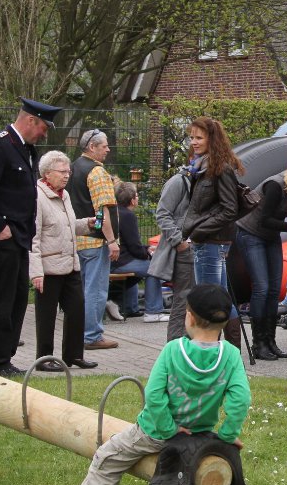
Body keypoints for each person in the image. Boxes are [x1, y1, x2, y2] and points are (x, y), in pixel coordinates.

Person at [41, 283, 250, 485]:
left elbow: (154, 395)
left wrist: (167, 430)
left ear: (190, 317)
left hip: (154, 432)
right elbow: (240, 398)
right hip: (201, 433)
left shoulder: (173, 350)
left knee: (107, 458)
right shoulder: (230, 355)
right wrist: (227, 435)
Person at [0, 97, 60, 377]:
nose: (45, 134)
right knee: (2, 300)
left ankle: (6, 357)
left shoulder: (24, 149)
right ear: (30, 120)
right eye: (44, 127)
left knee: (19, 299)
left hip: (19, 237)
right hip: (1, 239)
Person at [237, 161, 287, 360]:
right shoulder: (275, 186)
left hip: (270, 236)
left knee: (273, 290)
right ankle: (259, 343)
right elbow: (265, 219)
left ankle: (270, 341)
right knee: (262, 287)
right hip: (251, 233)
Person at [180, 117, 245, 352]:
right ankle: (229, 351)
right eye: (192, 137)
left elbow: (230, 209)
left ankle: (211, 350)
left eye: (199, 137)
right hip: (207, 241)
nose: (194, 142)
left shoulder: (220, 168)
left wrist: (199, 230)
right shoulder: (202, 166)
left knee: (209, 299)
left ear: (211, 139)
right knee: (220, 297)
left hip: (211, 243)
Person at [30, 151, 97, 371]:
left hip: (70, 264)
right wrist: (36, 271)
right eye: (62, 172)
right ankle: (44, 358)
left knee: (77, 309)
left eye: (68, 171)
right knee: (46, 315)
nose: (67, 176)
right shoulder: (37, 197)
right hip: (49, 268)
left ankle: (74, 355)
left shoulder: (64, 195)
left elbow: (67, 224)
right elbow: (34, 237)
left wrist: (87, 223)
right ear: (47, 173)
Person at [68, 128, 121, 351]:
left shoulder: (72, 168)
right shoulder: (97, 172)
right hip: (96, 240)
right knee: (96, 290)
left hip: (77, 239)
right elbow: (103, 211)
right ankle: (92, 336)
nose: (108, 149)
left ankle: (79, 332)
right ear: (92, 147)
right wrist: (111, 240)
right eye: (104, 145)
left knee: (81, 291)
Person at [149, 159, 195, 342]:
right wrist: (179, 242)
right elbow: (162, 213)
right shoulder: (179, 181)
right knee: (183, 301)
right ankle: (175, 349)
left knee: (197, 301)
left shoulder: (207, 181)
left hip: (203, 248)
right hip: (186, 250)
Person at [111, 182, 166, 323]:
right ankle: (153, 311)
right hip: (123, 261)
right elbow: (135, 248)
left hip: (114, 259)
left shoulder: (115, 212)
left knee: (141, 268)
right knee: (154, 269)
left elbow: (128, 243)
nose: (138, 198)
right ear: (132, 200)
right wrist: (148, 253)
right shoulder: (128, 216)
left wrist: (145, 248)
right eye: (137, 195)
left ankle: (130, 306)